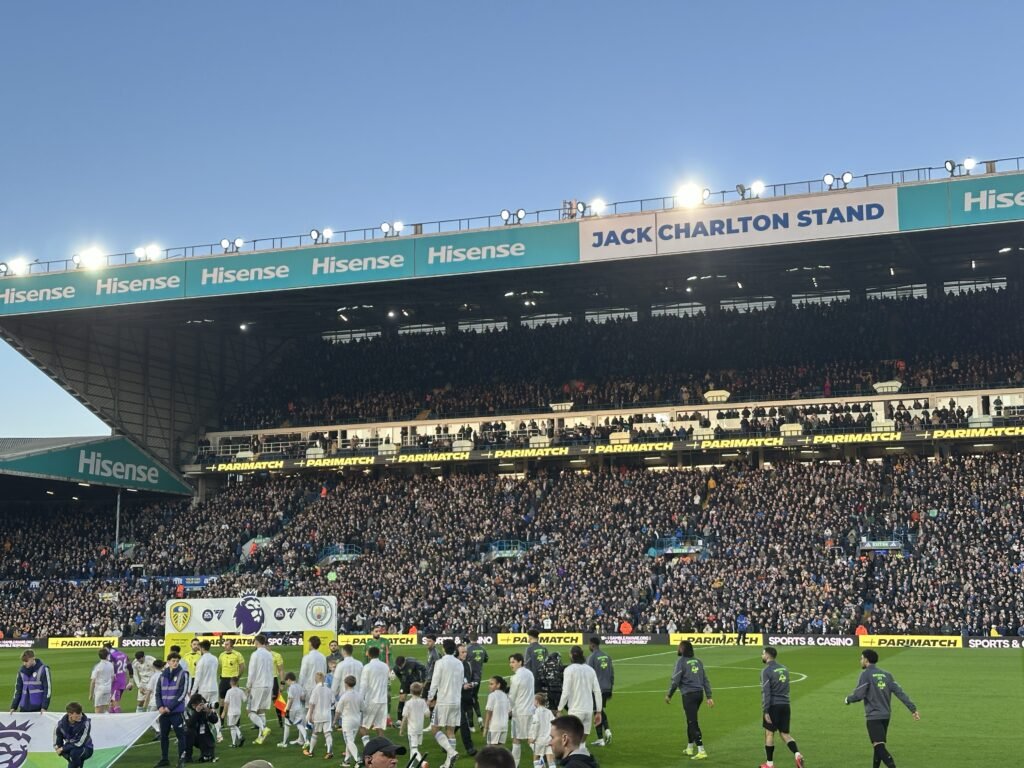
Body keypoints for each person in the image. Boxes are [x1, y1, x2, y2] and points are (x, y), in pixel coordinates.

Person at [844, 649, 920, 768]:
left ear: (866, 660)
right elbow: (900, 693)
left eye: (861, 658)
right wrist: (913, 709)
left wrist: (848, 699)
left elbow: (859, 695)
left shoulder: (866, 674)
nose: (860, 661)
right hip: (886, 716)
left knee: (878, 746)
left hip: (874, 716)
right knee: (878, 745)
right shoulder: (887, 675)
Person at [665, 640, 714, 761]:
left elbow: (675, 680)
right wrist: (709, 696)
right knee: (690, 720)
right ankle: (689, 747)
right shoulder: (698, 661)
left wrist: (669, 694)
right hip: (699, 695)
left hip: (689, 695)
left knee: (692, 722)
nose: (678, 648)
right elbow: (705, 680)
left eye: (679, 647)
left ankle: (701, 750)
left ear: (682, 649)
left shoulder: (681, 662)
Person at [759, 647, 804, 768]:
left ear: (767, 656)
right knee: (785, 734)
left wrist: (766, 710)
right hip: (785, 704)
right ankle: (797, 754)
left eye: (763, 654)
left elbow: (766, 692)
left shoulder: (766, 671)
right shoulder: (784, 669)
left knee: (769, 733)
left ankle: (769, 764)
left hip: (773, 705)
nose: (762, 656)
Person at [428, 638, 464, 768]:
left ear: (443, 649)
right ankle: (449, 764)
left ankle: (451, 751)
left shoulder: (440, 663)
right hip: (456, 701)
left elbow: (435, 681)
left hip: (443, 701)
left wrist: (430, 697)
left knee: (435, 728)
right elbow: (461, 682)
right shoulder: (459, 663)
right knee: (450, 731)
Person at [557, 647, 602, 746]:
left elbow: (566, 692)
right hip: (588, 711)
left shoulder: (569, 670)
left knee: (571, 741)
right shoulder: (590, 670)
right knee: (582, 742)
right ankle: (581, 759)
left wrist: (559, 709)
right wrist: (598, 711)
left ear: (572, 655)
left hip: (576, 710)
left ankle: (571, 759)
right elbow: (597, 691)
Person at [155, 652, 191, 768]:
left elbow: (182, 693)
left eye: (177, 661)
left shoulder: (183, 674)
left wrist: (169, 707)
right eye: (173, 661)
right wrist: (160, 706)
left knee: (180, 735)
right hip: (164, 712)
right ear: (168, 662)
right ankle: (164, 758)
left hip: (176, 712)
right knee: (164, 736)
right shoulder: (162, 676)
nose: (175, 663)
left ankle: (181, 759)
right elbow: (158, 693)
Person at [508, 653, 536, 768]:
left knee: (517, 739)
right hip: (531, 710)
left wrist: (508, 710)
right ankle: (545, 761)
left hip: (519, 712)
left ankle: (514, 765)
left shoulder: (515, 678)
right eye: (510, 662)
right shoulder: (529, 673)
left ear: (520, 662)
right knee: (531, 738)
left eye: (513, 662)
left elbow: (512, 697)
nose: (511, 664)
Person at [246, 634, 275, 745]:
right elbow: (272, 671)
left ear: (256, 642)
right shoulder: (269, 654)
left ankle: (263, 728)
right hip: (268, 685)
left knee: (250, 711)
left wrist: (248, 686)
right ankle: (260, 738)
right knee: (261, 711)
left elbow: (252, 672)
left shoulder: (255, 654)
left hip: (258, 685)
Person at [192, 641, 222, 743]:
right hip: (214, 687)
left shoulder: (201, 660)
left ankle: (204, 733)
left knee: (202, 710)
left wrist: (192, 692)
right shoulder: (215, 658)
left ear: (201, 648)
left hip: (204, 689)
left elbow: (197, 678)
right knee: (213, 711)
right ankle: (218, 734)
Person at [585, 638, 613, 747]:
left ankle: (602, 737)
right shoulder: (607, 656)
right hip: (607, 688)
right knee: (600, 710)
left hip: (597, 689)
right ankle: (606, 731)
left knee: (597, 712)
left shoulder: (591, 658)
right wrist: (610, 687)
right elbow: (611, 673)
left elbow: (588, 675)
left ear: (592, 645)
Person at [360, 645, 390, 742]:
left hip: (372, 700)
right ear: (379, 654)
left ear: (368, 655)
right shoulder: (385, 666)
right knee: (379, 726)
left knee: (363, 726)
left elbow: (363, 685)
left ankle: (367, 747)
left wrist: (360, 700)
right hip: (383, 700)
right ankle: (382, 749)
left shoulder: (367, 667)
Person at [304, 671, 335, 759]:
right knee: (327, 733)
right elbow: (333, 702)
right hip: (327, 715)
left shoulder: (315, 690)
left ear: (316, 679)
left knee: (315, 733)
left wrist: (310, 715)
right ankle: (329, 752)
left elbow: (312, 704)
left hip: (317, 715)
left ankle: (310, 752)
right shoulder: (329, 689)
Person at [54, 702, 93, 768]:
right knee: (73, 757)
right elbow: (57, 743)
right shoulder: (60, 725)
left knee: (74, 753)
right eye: (77, 715)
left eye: (80, 713)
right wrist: (60, 749)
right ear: (70, 714)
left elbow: (79, 743)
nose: (80, 716)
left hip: (86, 748)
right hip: (70, 749)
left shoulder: (86, 723)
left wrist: (63, 748)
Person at [183, 693, 219, 763]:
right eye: (199, 704)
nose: (202, 705)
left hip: (205, 733)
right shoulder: (187, 710)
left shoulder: (206, 704)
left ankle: (206, 752)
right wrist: (197, 712)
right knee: (188, 732)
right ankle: (188, 756)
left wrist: (209, 713)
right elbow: (190, 724)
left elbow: (215, 720)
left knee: (207, 755)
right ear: (193, 706)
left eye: (202, 703)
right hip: (193, 734)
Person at [336, 675, 364, 768]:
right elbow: (363, 708)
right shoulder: (359, 695)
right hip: (357, 720)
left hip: (347, 721)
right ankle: (346, 761)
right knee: (350, 741)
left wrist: (334, 721)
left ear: (346, 684)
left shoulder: (344, 696)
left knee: (349, 741)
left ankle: (358, 759)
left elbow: (338, 711)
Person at [457, 644, 479, 756]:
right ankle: (469, 748)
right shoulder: (455, 665)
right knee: (463, 722)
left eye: (465, 652)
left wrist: (473, 683)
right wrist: (462, 686)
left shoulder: (468, 664)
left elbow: (474, 677)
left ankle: (445, 744)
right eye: (462, 652)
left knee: (457, 723)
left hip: (466, 696)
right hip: (456, 697)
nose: (465, 654)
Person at [393, 655, 427, 725]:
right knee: (402, 698)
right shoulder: (396, 667)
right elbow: (398, 675)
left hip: (415, 681)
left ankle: (418, 717)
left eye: (401, 666)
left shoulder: (413, 662)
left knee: (416, 698)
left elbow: (423, 668)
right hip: (405, 682)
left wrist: (423, 681)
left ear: (404, 662)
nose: (400, 667)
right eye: (398, 666)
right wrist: (402, 681)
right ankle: (399, 719)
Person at [400, 681, 429, 762]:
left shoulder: (408, 703)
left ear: (410, 691)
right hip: (420, 729)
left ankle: (422, 762)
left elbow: (404, 718)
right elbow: (427, 714)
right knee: (413, 747)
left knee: (414, 748)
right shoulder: (423, 702)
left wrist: (401, 729)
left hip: (412, 729)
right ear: (421, 691)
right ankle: (411, 765)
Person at [279, 671, 307, 748]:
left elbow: (290, 699)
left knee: (287, 725)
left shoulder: (291, 688)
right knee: (299, 724)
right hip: (300, 708)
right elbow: (302, 698)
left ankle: (284, 743)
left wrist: (287, 710)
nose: (287, 683)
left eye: (287, 681)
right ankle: (306, 740)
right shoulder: (299, 686)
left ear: (289, 680)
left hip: (292, 709)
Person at [466, 640, 489, 728]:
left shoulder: (467, 648)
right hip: (478, 676)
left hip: (468, 677)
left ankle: (471, 724)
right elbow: (486, 659)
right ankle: (479, 718)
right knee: (474, 697)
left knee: (468, 699)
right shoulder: (482, 648)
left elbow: (463, 659)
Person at [299, 636, 328, 705]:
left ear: (311, 644)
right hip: (321, 688)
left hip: (309, 688)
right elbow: (325, 673)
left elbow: (302, 675)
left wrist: (300, 690)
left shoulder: (307, 657)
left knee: (308, 711)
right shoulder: (323, 657)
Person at [219, 677, 247, 748]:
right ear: (237, 683)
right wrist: (247, 692)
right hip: (238, 711)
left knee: (232, 726)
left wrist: (223, 712)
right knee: (233, 726)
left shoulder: (229, 691)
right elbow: (245, 699)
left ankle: (240, 736)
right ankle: (234, 743)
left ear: (231, 683)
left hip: (231, 712)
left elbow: (226, 703)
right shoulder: (240, 691)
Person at [483, 676, 510, 746]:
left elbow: (489, 713)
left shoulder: (492, 695)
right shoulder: (505, 695)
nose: (489, 686)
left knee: (489, 749)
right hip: (504, 727)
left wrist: (485, 728)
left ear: (498, 685)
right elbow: (509, 712)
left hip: (494, 727)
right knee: (499, 749)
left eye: (491, 684)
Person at [530, 693, 555, 768]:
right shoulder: (549, 712)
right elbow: (554, 723)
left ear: (537, 701)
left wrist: (533, 738)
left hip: (539, 740)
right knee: (550, 759)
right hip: (549, 739)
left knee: (536, 757)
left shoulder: (536, 712)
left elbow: (536, 725)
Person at [106, 642, 131, 713]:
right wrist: (131, 679)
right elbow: (129, 666)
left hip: (115, 681)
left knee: (114, 701)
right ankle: (112, 719)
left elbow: (110, 667)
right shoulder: (123, 654)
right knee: (112, 702)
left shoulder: (110, 655)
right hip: (123, 680)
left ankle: (119, 718)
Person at [89, 648, 114, 714]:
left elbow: (93, 681)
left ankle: (99, 723)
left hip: (99, 690)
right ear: (107, 656)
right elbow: (112, 678)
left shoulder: (97, 666)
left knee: (98, 708)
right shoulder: (111, 665)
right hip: (108, 689)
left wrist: (90, 694)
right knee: (106, 707)